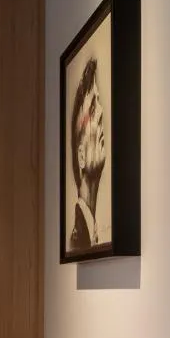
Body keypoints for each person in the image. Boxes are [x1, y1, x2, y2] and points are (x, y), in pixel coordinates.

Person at [68, 56, 107, 253]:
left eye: (98, 104)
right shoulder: (78, 239)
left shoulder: (90, 231)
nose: (100, 113)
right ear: (81, 156)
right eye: (92, 109)